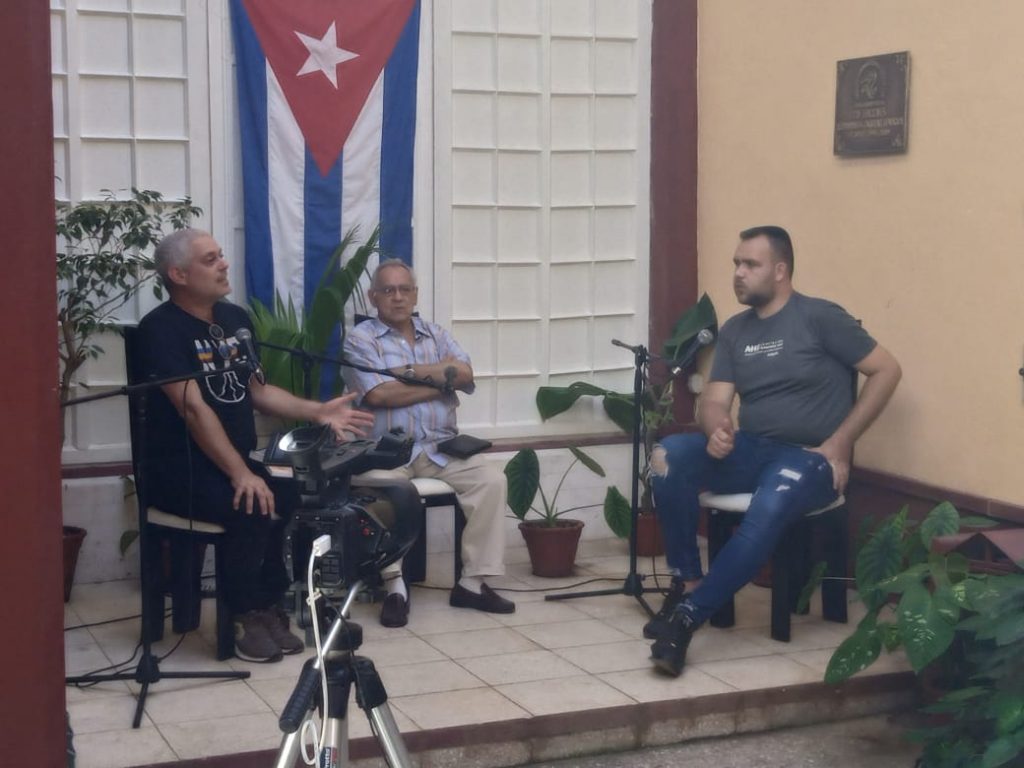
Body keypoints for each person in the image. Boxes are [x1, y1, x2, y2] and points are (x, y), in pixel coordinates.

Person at [648, 225, 901, 677]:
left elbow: (887, 370)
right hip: (751, 450)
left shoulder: (820, 317)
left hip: (809, 458)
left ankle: (687, 618)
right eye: (736, 264)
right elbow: (714, 402)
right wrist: (716, 428)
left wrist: (841, 441)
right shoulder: (735, 331)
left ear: (780, 271)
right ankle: (687, 581)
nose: (739, 273)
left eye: (751, 264)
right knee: (668, 456)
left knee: (769, 505)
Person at [137, 228, 379, 663]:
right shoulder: (160, 329)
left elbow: (259, 392)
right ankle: (242, 614)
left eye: (221, 255)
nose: (224, 264)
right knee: (247, 502)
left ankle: (267, 605)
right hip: (177, 468)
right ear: (178, 274)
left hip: (228, 462)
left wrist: (318, 411)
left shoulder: (234, 320)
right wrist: (240, 473)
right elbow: (192, 408)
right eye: (210, 260)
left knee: (285, 492)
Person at [342, 259, 515, 627]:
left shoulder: (436, 334)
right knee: (385, 490)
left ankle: (472, 583)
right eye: (388, 290)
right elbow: (379, 395)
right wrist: (441, 382)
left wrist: (409, 374)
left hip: (442, 448)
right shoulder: (361, 339)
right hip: (387, 452)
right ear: (373, 297)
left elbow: (466, 374)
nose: (398, 297)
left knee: (492, 481)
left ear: (416, 294)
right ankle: (394, 586)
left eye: (405, 289)